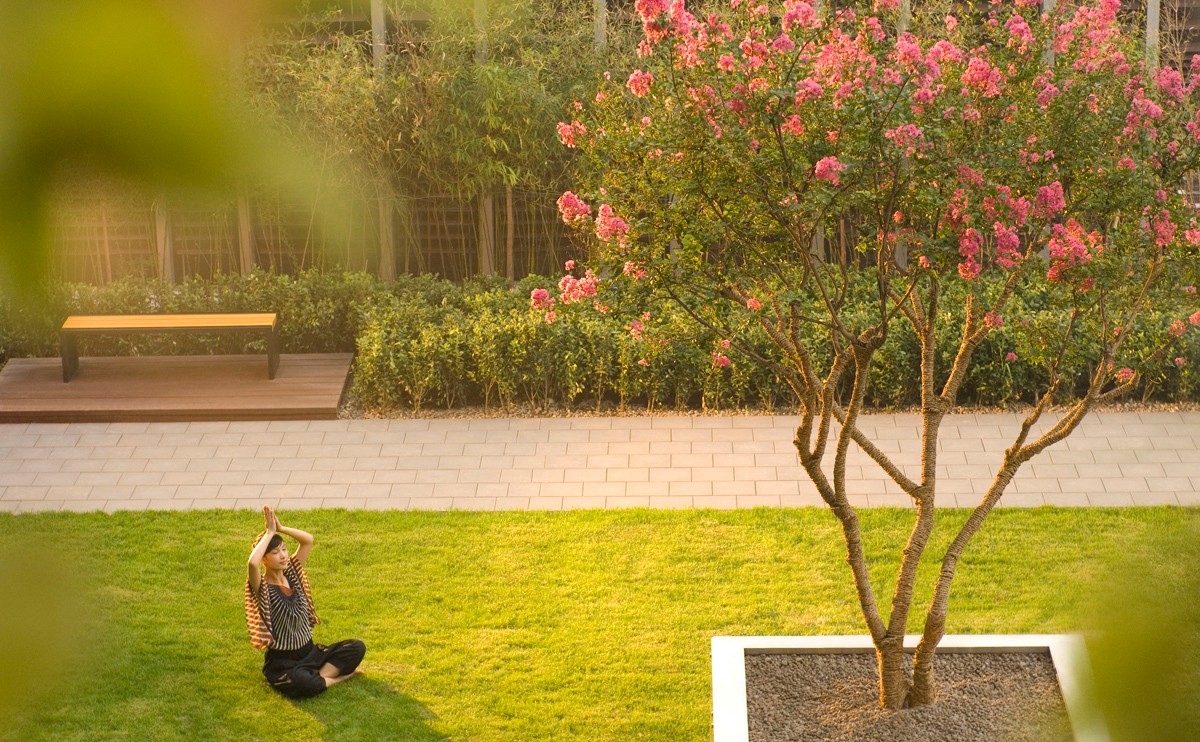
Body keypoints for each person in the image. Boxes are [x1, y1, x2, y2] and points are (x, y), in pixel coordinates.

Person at [245, 505, 365, 698]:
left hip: (311, 653)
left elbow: (308, 540)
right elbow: (251, 563)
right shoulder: (262, 588)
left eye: (284, 549)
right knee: (303, 683)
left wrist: (280, 528)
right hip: (284, 662)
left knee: (356, 647)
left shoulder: (292, 572)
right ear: (264, 560)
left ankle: (319, 678)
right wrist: (269, 533)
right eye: (275, 552)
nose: (283, 555)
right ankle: (337, 678)